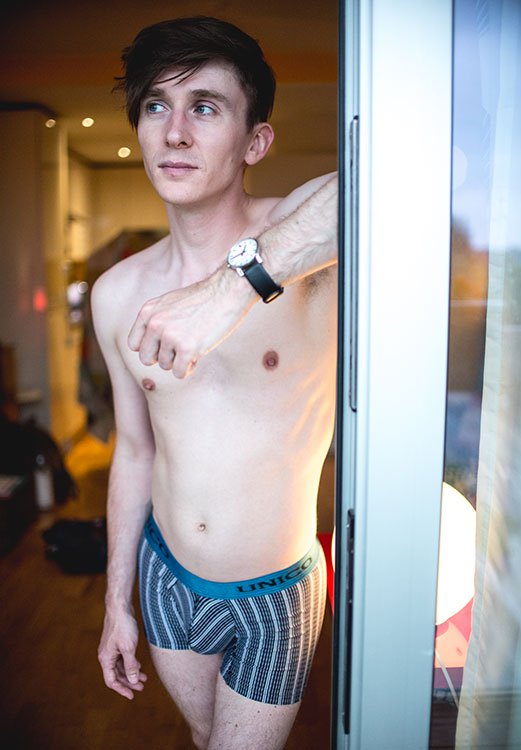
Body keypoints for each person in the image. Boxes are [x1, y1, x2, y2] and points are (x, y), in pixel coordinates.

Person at [92, 16, 338, 750]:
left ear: (255, 142)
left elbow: (389, 180)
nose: (174, 131)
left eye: (204, 106)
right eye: (156, 106)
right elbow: (135, 450)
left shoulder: (302, 242)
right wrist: (115, 600)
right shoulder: (117, 293)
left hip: (276, 593)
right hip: (166, 575)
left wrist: (231, 289)